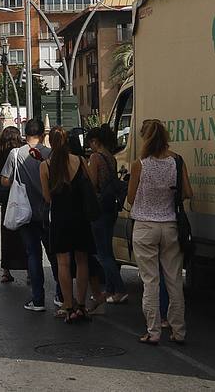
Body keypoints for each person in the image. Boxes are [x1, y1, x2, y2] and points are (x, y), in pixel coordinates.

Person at [127, 118, 191, 344]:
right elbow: (187, 193)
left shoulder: (139, 164)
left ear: (145, 137)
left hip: (145, 227)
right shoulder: (177, 161)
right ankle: (179, 330)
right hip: (170, 226)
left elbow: (131, 197)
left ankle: (153, 332)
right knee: (174, 281)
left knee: (150, 282)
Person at [0, 117, 58, 312]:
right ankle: (60, 295)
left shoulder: (15, 154)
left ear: (25, 134)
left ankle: (38, 299)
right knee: (53, 254)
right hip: (47, 212)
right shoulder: (51, 155)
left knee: (33, 255)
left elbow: (5, 181)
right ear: (43, 135)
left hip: (25, 212)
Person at [42, 126, 98, 322]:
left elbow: (47, 198)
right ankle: (81, 305)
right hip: (81, 217)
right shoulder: (81, 160)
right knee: (82, 261)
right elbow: (91, 184)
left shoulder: (45, 166)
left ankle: (67, 305)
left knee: (63, 263)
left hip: (60, 218)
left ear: (50, 142)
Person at [87, 125, 128, 304]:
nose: (90, 147)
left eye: (90, 143)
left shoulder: (95, 157)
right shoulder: (111, 158)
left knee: (101, 253)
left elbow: (92, 182)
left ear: (95, 141)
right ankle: (110, 290)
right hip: (111, 207)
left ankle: (119, 289)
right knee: (108, 250)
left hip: (99, 207)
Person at [0, 125, 27, 283]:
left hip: (7, 198)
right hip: (21, 196)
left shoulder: (1, 153)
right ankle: (29, 270)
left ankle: (6, 271)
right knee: (25, 232)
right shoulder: (20, 152)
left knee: (6, 233)